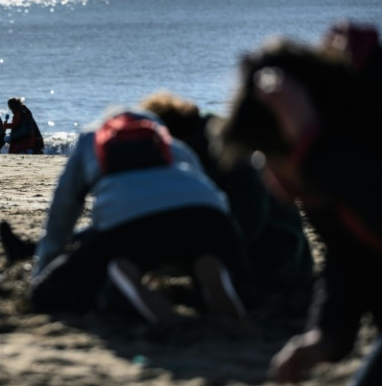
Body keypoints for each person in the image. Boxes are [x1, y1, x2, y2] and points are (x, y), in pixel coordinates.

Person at [220, 22, 382, 386]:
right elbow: (348, 254)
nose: (275, 187)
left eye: (277, 159)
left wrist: (314, 149)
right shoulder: (325, 168)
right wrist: (327, 335)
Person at [28, 108, 254, 324]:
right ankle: (207, 265)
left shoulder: (90, 139)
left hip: (129, 224)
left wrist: (44, 271)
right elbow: (210, 192)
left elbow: (61, 216)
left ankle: (126, 275)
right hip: (208, 216)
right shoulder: (171, 142)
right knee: (218, 264)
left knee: (49, 294)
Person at [140, 91, 313, 293]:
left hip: (278, 253)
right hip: (261, 248)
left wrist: (205, 258)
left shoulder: (226, 149)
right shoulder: (199, 144)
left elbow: (251, 216)